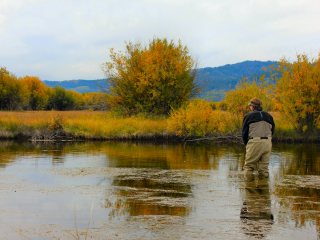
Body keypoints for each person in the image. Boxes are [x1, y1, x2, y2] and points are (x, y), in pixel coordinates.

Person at [242, 97, 275, 180]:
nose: (250, 107)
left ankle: (249, 189)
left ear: (252, 106)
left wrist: (247, 145)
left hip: (254, 142)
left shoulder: (248, 116)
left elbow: (244, 133)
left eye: (250, 106)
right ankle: (264, 191)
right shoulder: (269, 116)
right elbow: (272, 130)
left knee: (249, 167)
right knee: (264, 169)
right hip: (267, 143)